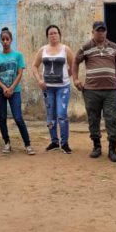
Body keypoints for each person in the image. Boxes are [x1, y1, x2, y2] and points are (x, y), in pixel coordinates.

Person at [71, 21, 116, 162]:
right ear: (93, 32)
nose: (100, 33)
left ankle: (112, 149)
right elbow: (75, 62)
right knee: (93, 119)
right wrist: (76, 79)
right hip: (91, 91)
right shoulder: (86, 47)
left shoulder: (114, 47)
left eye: (103, 30)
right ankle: (97, 146)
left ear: (106, 32)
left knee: (112, 119)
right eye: (98, 30)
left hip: (111, 91)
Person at [31, 24, 75, 154]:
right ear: (47, 36)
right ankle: (54, 141)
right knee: (50, 116)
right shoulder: (43, 50)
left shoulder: (66, 49)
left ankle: (65, 143)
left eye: (55, 33)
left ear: (59, 34)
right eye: (51, 33)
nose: (53, 35)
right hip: (47, 88)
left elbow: (73, 66)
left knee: (62, 114)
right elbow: (34, 66)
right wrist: (39, 80)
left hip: (63, 88)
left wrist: (65, 77)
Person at [0, 27, 34, 155]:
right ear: (0, 41)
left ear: (11, 40)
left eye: (7, 39)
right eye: (3, 39)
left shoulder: (18, 55)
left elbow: (19, 73)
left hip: (15, 91)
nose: (5, 41)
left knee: (18, 117)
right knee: (2, 117)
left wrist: (11, 88)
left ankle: (28, 144)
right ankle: (7, 143)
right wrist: (4, 88)